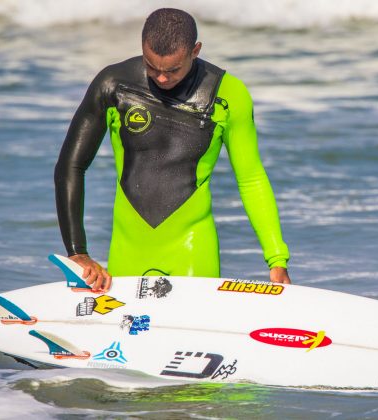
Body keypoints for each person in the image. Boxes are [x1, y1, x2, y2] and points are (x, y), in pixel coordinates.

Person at [54, 8, 290, 292]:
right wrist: (77, 251)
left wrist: (276, 258)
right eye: (152, 67)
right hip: (128, 249)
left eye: (173, 70)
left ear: (196, 51)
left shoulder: (229, 95)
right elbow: (71, 166)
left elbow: (250, 177)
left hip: (192, 247)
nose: (162, 79)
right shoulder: (113, 85)